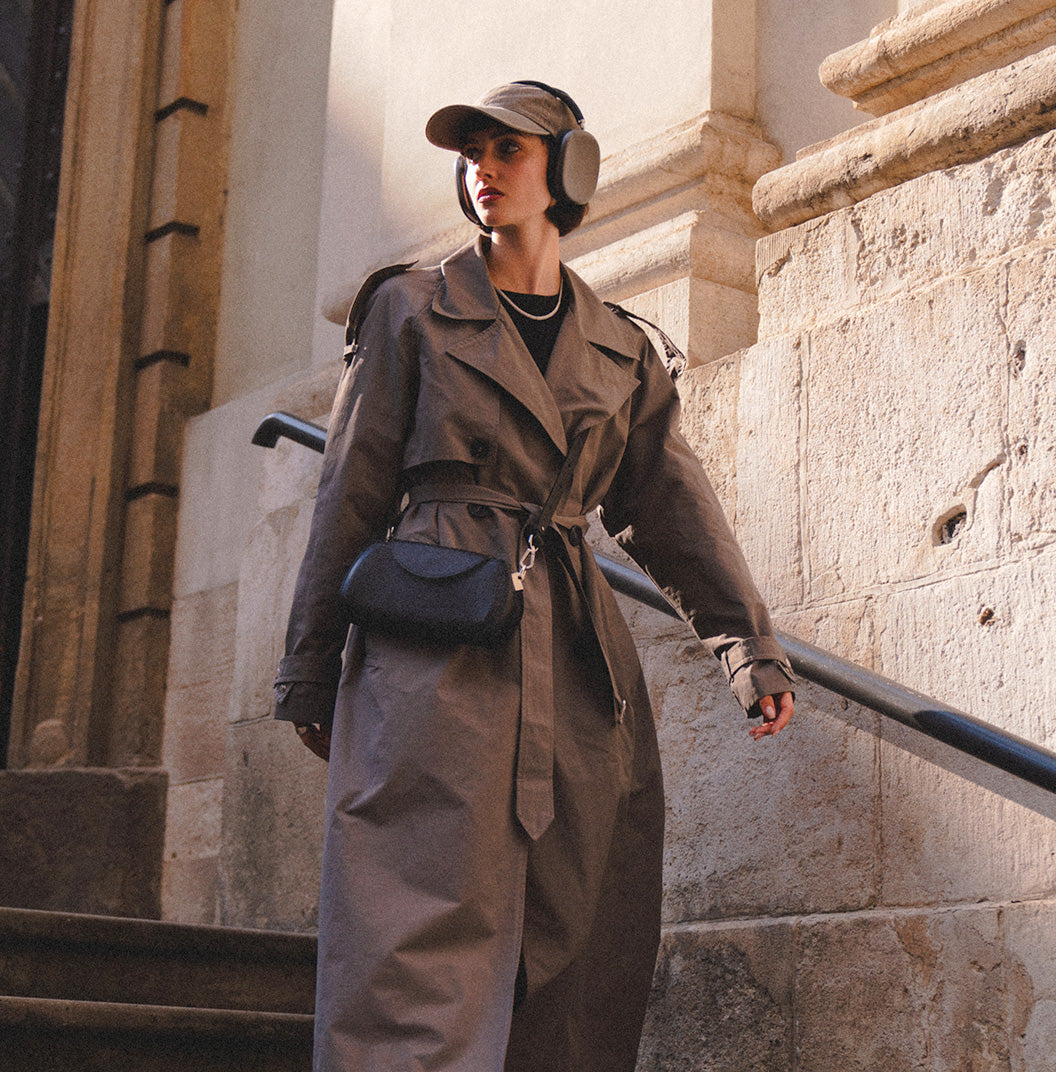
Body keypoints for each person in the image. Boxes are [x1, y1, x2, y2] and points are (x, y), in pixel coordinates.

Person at [273, 81, 794, 1072]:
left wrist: (748, 649)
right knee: (411, 939)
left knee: (577, 937)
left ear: (568, 169)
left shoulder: (623, 348)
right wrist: (308, 663)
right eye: (471, 152)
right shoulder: (409, 309)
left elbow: (669, 508)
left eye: (507, 149)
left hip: (576, 665)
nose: (483, 168)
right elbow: (349, 490)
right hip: (431, 651)